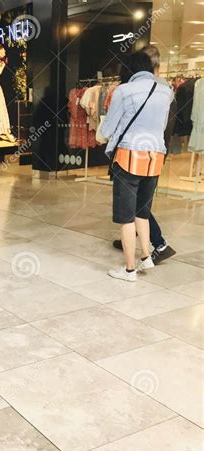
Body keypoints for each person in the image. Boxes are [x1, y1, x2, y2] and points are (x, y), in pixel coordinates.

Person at [100, 51, 172, 281]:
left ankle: (129, 269)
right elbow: (160, 125)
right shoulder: (166, 90)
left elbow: (109, 128)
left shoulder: (124, 91)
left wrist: (102, 136)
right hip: (155, 156)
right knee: (143, 211)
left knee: (126, 216)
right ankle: (146, 256)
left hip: (130, 156)